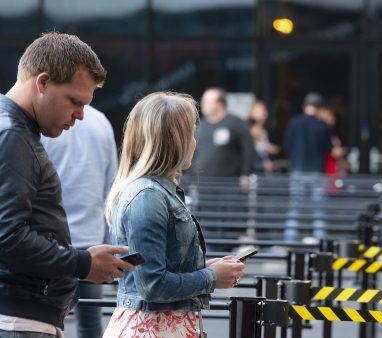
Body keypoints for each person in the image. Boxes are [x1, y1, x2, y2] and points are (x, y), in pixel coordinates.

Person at [0, 32, 134, 337]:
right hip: (19, 319)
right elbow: (7, 237)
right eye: (75, 101)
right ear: (42, 82)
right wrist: (83, 262)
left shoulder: (15, 131)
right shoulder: (12, 135)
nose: (81, 115)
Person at [103, 92, 245, 338]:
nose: (195, 142)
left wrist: (204, 268)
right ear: (174, 141)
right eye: (190, 133)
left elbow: (157, 270)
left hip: (158, 326)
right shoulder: (148, 195)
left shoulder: (155, 191)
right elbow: (152, 285)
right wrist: (211, 277)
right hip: (152, 329)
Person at [41, 105, 118, 338]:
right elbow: (111, 186)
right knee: (90, 323)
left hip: (48, 243)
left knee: (41, 321)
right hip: (91, 243)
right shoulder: (101, 122)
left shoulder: (45, 122)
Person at [283, 92, 332, 243]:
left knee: (295, 207)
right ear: (319, 108)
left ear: (305, 106)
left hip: (297, 169)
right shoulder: (322, 125)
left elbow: (286, 145)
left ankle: (289, 239)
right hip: (317, 171)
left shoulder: (294, 122)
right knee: (319, 209)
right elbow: (328, 148)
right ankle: (320, 240)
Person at [188, 87, 254, 187]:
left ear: (220, 103)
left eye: (207, 102)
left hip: (229, 184)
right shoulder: (200, 126)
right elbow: (193, 153)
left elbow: (248, 150)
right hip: (203, 185)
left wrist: (245, 174)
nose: (203, 105)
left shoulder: (236, 123)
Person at [248, 100, 279, 173]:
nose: (265, 114)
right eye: (262, 110)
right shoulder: (248, 130)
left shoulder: (263, 131)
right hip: (253, 171)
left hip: (263, 171)